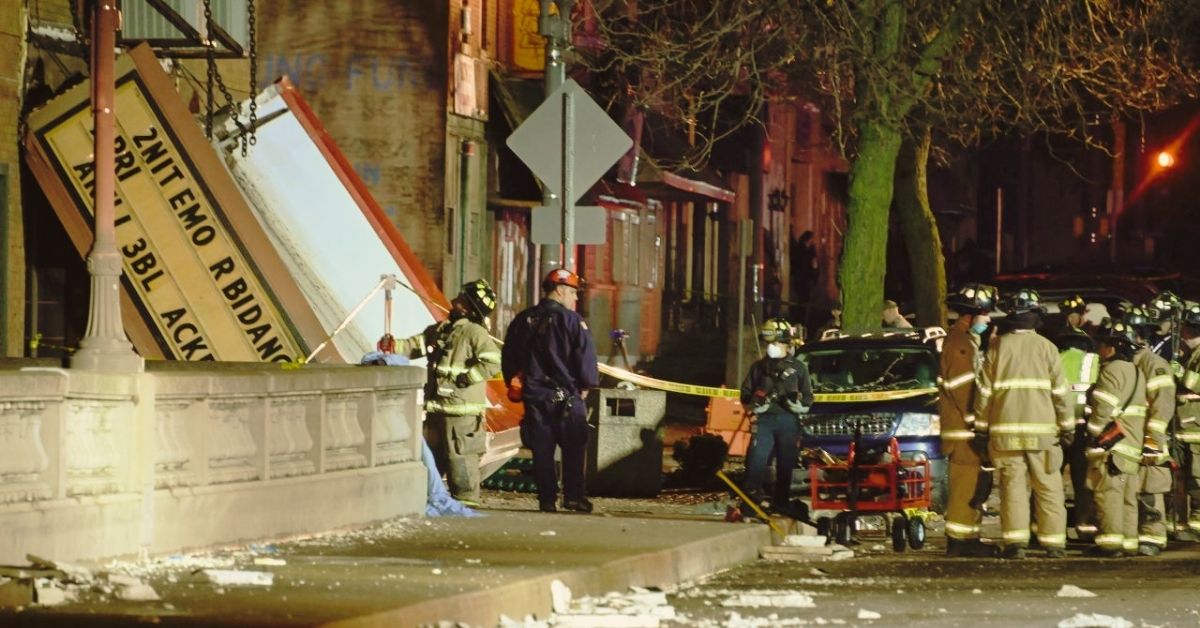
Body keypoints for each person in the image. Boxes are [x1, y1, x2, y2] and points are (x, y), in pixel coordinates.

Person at [974, 289, 1074, 559]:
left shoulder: (997, 348)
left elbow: (984, 394)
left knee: (1012, 489)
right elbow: (1062, 394)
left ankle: (1016, 544)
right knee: (1049, 488)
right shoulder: (1047, 349)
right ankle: (1054, 544)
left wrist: (981, 430)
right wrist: (1067, 427)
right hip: (1042, 436)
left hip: (1005, 436)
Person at [501, 268, 600, 513]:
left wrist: (516, 383)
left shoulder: (523, 320)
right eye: (573, 293)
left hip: (536, 395)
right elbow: (584, 357)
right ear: (560, 290)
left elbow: (508, 357)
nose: (575, 299)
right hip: (566, 395)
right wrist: (586, 385)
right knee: (574, 445)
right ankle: (574, 497)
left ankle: (547, 499)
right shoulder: (572, 321)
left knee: (542, 448)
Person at [397, 279, 502, 507]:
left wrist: (466, 378)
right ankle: (428, 499)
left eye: (462, 299)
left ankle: (466, 502)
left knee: (460, 457)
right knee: (430, 456)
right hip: (437, 408)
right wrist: (391, 347)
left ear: (470, 307)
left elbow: (494, 362)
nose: (456, 301)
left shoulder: (474, 333)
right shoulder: (443, 330)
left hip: (461, 412)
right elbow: (415, 346)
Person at [940, 283, 999, 557]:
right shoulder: (961, 345)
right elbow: (964, 391)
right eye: (985, 315)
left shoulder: (965, 342)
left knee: (973, 484)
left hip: (964, 430)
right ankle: (959, 540)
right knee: (965, 484)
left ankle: (968, 537)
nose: (988, 320)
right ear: (971, 315)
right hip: (964, 431)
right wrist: (977, 422)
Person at [1083, 320, 1148, 557]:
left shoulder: (1111, 371)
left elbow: (1103, 408)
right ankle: (1129, 542)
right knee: (1128, 498)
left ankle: (1110, 544)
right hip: (1132, 445)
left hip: (1113, 447)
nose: (1098, 349)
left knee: (1108, 495)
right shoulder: (1137, 372)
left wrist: (1093, 432)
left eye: (1101, 344)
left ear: (1112, 346)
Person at [739, 318, 814, 510]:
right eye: (770, 343)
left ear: (786, 344)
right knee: (756, 462)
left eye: (776, 343)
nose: (772, 347)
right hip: (764, 422)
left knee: (785, 465)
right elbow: (745, 393)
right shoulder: (758, 368)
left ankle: (781, 503)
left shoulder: (798, 368)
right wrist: (754, 407)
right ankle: (750, 504)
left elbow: (808, 396)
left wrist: (801, 406)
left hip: (788, 421)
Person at [1124, 306, 1176, 555]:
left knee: (1150, 485)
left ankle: (1153, 535)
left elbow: (1162, 404)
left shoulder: (1154, 364)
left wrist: (1153, 440)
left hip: (1147, 436)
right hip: (1127, 437)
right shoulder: (1124, 361)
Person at [1053, 314, 1101, 540]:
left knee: (1050, 482)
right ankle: (1086, 529)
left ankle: (1049, 530)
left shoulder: (1053, 360)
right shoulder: (1093, 361)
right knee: (1084, 483)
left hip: (1057, 430)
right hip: (1084, 430)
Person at [1170, 304, 1200, 536]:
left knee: (1198, 478)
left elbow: (1193, 384)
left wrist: (1178, 372)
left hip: (1196, 427)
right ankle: (1184, 524)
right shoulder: (1191, 354)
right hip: (1185, 426)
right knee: (1185, 477)